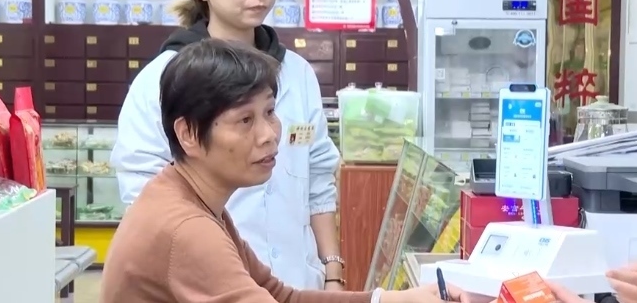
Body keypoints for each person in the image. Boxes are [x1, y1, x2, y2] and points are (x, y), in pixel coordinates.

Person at [100, 39, 476, 303]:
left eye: (269, 112)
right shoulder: (187, 229)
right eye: (245, 120)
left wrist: (388, 299)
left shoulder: (192, 200)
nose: (269, 134)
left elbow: (282, 296)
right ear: (187, 134)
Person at [110, 0, 344, 290]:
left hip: (297, 282)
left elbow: (317, 176)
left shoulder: (298, 74)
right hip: (207, 283)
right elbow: (145, 191)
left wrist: (333, 272)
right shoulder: (163, 78)